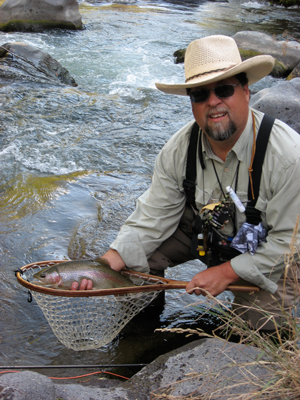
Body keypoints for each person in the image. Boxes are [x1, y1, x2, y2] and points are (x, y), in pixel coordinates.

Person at [73, 35, 300, 333]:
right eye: (200, 95)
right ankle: (140, 336)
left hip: (273, 250)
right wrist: (104, 265)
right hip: (208, 233)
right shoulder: (178, 149)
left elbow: (288, 244)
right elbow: (151, 216)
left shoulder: (289, 156)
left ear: (246, 91)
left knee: (260, 333)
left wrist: (228, 272)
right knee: (134, 260)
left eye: (224, 89)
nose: (213, 102)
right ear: (191, 102)